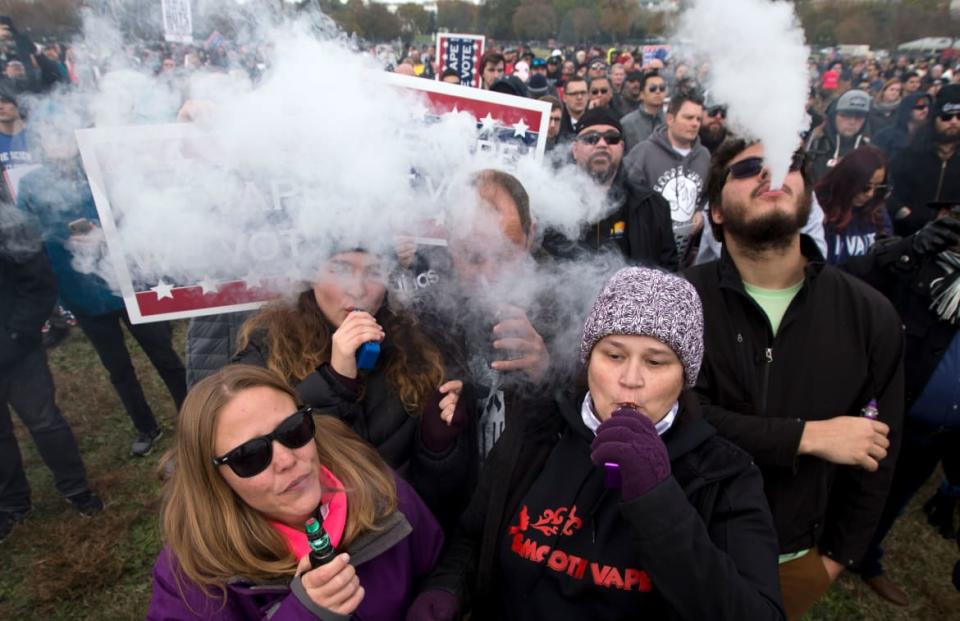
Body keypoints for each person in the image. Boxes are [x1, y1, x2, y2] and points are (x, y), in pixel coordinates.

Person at [409, 267, 785, 621]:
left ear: (684, 377)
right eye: (614, 355)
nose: (630, 379)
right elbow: (474, 536)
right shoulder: (538, 430)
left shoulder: (723, 474)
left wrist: (657, 499)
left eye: (656, 362)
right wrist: (447, 589)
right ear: (589, 360)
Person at [685, 138, 904, 620]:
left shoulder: (869, 314)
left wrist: (833, 561)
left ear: (807, 194)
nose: (770, 174)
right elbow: (673, 419)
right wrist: (805, 436)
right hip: (681, 535)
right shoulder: (679, 299)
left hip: (792, 558)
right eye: (747, 169)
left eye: (788, 163)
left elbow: (878, 454)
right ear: (717, 211)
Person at [147, 364, 444, 620]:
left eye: (294, 430)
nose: (287, 460)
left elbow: (436, 565)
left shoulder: (372, 483)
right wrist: (306, 614)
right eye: (250, 456)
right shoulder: (192, 573)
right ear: (213, 478)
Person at [234, 247, 476, 530]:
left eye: (374, 272)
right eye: (341, 269)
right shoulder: (267, 351)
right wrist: (334, 382)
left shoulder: (417, 349)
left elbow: (440, 503)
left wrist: (438, 448)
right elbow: (269, 476)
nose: (358, 290)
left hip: (402, 541)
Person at [17, 124, 186, 457]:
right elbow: (29, 234)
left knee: (164, 355)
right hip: (80, 288)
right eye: (51, 135)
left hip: (127, 282)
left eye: (63, 133)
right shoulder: (32, 185)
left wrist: (108, 234)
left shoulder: (101, 170)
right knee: (118, 367)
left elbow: (133, 213)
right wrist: (65, 241)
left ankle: (192, 414)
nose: (59, 142)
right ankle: (145, 426)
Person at [843, 202, 960, 607]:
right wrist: (911, 248)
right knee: (853, 484)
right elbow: (849, 279)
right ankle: (823, 546)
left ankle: (865, 556)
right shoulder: (918, 265)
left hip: (941, 430)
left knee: (896, 497)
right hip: (890, 411)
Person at [0, 204, 103, 543]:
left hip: (16, 349)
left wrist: (17, 333)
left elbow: (39, 283)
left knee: (44, 421)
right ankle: (13, 504)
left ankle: (76, 490)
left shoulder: (9, 222)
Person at [543, 107, 677, 271]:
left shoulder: (652, 205)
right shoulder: (551, 208)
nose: (602, 144)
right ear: (575, 150)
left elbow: (669, 271)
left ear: (621, 147)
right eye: (591, 138)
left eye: (611, 138)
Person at [623, 90, 710, 266]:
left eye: (698, 119)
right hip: (647, 256)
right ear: (670, 119)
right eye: (688, 117)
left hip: (685, 255)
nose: (694, 124)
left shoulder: (704, 155)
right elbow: (626, 199)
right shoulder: (643, 153)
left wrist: (701, 212)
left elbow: (706, 194)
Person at [888, 84, 960, 237]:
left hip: (951, 241)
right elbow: (889, 191)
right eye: (946, 117)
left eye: (959, 117)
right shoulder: (910, 155)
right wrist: (904, 213)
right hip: (908, 237)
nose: (954, 122)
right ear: (935, 119)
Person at [814, 145, 893, 264]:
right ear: (848, 181)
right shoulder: (818, 209)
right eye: (865, 187)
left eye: (878, 188)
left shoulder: (877, 211)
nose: (870, 194)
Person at [806, 89, 872, 183]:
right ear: (833, 116)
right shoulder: (816, 144)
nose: (852, 121)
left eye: (859, 116)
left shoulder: (868, 151)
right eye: (846, 114)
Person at [872, 92, 932, 160]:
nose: (925, 110)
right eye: (920, 107)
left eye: (928, 106)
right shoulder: (885, 135)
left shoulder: (931, 136)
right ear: (908, 109)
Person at [620, 70, 666, 152]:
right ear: (641, 94)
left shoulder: (671, 122)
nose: (658, 91)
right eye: (653, 89)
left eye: (662, 88)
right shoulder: (627, 123)